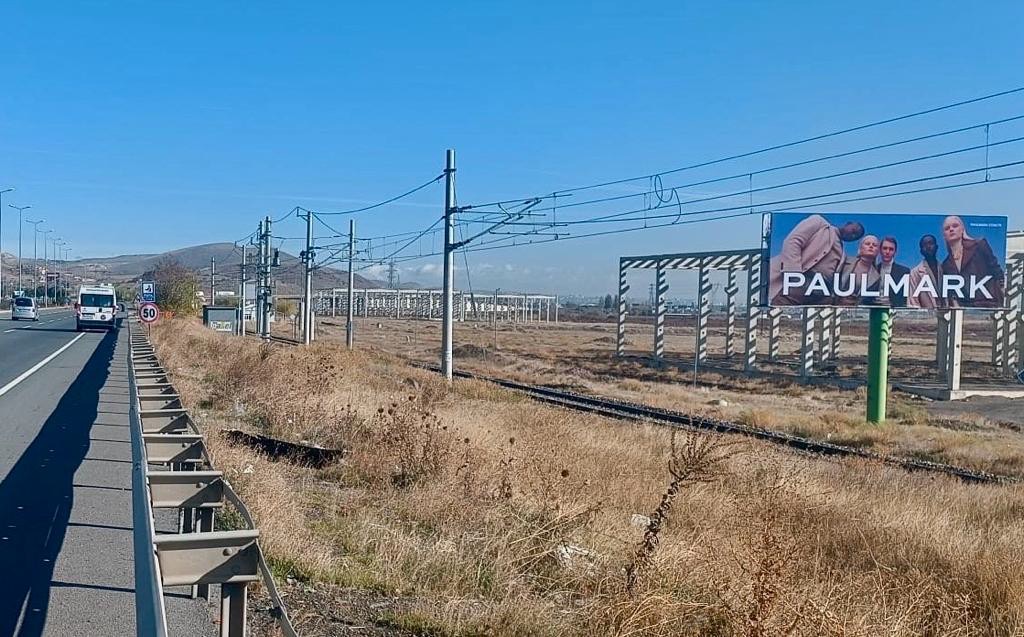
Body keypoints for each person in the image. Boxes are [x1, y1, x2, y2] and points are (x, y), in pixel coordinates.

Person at [769, 215, 865, 304]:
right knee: (781, 307)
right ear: (847, 224)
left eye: (855, 237)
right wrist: (793, 274)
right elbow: (793, 241)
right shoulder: (819, 223)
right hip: (801, 279)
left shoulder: (842, 252)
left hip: (820, 289)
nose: (852, 235)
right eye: (853, 231)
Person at [940, 215, 1004, 308]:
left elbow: (997, 273)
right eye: (947, 228)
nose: (951, 229)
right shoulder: (946, 265)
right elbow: (952, 293)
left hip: (989, 306)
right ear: (944, 236)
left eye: (955, 226)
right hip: (966, 310)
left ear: (962, 229)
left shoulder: (980, 245)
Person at [908, 234, 943, 309]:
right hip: (927, 314)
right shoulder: (915, 272)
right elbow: (913, 301)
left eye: (931, 243)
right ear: (921, 251)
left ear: (936, 247)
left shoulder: (945, 269)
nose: (928, 247)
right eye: (924, 245)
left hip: (947, 312)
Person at [876, 236, 911, 307]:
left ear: (895, 252)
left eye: (891, 249)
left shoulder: (904, 272)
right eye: (885, 248)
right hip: (874, 307)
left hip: (894, 309)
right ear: (880, 250)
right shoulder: (873, 269)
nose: (887, 252)